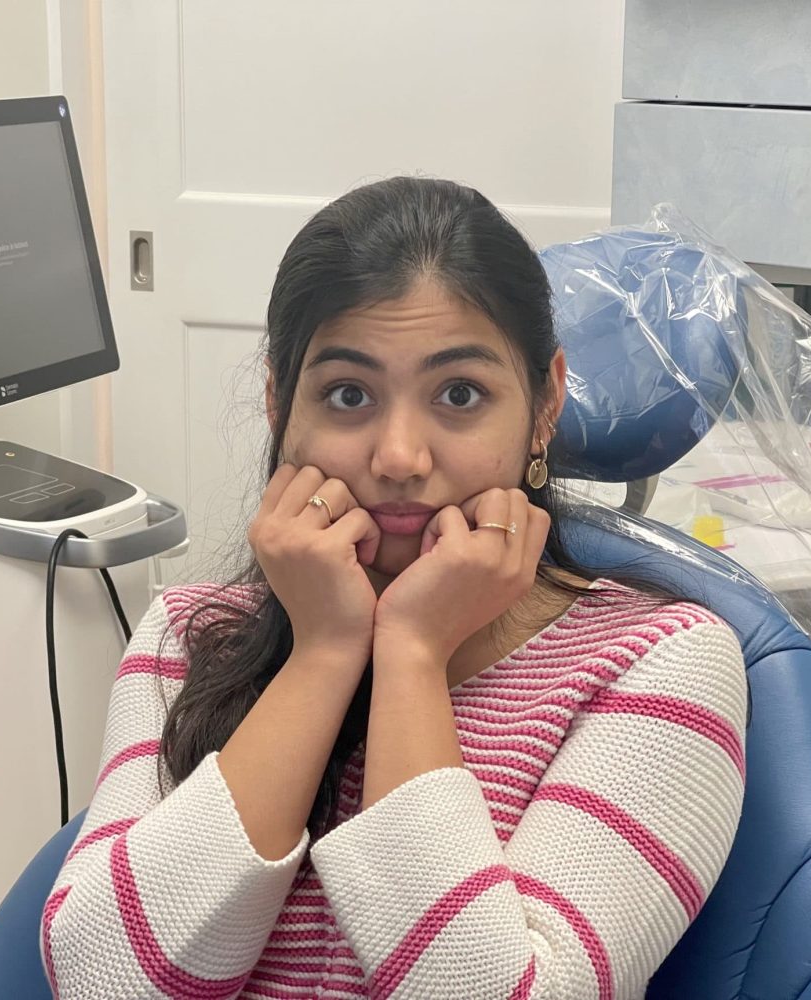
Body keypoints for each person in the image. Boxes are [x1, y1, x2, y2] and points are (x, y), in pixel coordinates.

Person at [40, 177, 748, 999]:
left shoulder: (660, 665)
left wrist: (410, 654)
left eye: (460, 394)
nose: (400, 457)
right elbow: (104, 982)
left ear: (546, 403)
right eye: (349, 395)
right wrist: (326, 650)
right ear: (279, 403)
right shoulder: (189, 634)